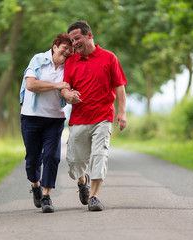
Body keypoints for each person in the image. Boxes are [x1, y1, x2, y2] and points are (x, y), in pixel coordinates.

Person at [61, 21, 128, 211]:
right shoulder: (71, 62)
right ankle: (83, 181)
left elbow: (120, 86)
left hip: (103, 117)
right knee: (74, 161)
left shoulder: (109, 58)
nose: (74, 43)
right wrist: (68, 96)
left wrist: (122, 112)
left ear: (89, 35)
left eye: (77, 38)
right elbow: (65, 89)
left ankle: (94, 197)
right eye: (72, 40)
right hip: (79, 118)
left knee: (100, 154)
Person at [19, 33, 73, 213]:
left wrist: (69, 95)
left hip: (55, 118)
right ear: (55, 46)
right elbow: (31, 85)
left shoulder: (69, 66)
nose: (68, 52)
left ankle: (47, 196)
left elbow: (66, 89)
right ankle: (36, 184)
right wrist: (56, 86)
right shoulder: (38, 60)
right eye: (65, 47)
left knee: (52, 156)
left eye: (71, 50)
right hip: (31, 117)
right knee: (32, 160)